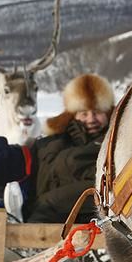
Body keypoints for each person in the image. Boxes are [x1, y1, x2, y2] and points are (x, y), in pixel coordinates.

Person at [26, 73, 116, 225]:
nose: (91, 119)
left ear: (108, 113)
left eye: (97, 112)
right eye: (84, 113)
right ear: (73, 115)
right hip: (59, 218)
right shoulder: (57, 140)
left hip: (102, 200)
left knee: (46, 205)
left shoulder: (113, 140)